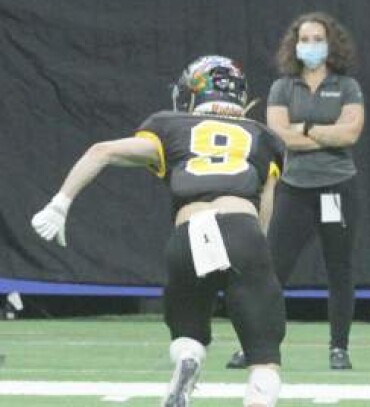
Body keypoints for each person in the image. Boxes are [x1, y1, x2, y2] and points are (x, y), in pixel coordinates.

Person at [30, 55, 287, 407]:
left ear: (192, 92)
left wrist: (60, 203)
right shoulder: (264, 137)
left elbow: (101, 151)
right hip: (241, 227)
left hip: (189, 231)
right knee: (264, 358)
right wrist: (257, 255)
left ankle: (189, 359)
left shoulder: (171, 126)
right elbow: (265, 206)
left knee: (188, 330)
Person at [227, 11, 365, 370]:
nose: (311, 45)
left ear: (330, 43)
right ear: (295, 45)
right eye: (304, 39)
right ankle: (255, 346)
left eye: (317, 39)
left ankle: (339, 348)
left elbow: (350, 134)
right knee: (271, 270)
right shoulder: (282, 87)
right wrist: (324, 131)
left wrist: (302, 128)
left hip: (338, 187)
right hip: (295, 187)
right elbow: (277, 135)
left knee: (340, 270)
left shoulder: (347, 86)